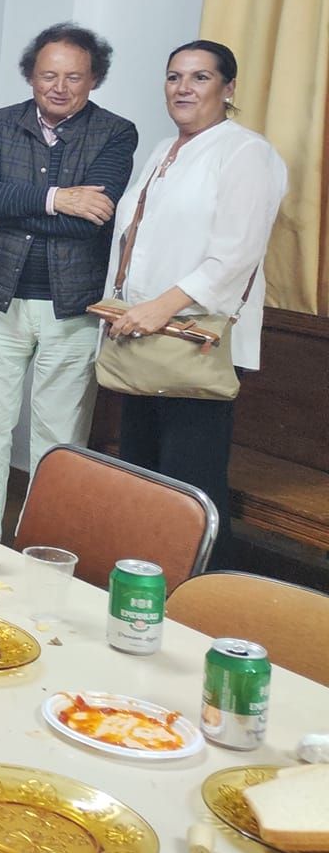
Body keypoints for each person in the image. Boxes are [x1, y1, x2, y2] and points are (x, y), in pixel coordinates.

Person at [103, 41, 287, 549]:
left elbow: (236, 255)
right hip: (144, 336)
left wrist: (157, 308)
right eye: (174, 77)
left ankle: (199, 596)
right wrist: (127, 311)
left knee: (190, 482)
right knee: (143, 472)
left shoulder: (247, 153)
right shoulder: (165, 150)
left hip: (196, 339)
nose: (183, 88)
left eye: (200, 78)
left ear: (229, 89)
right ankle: (140, 579)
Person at [0, 23, 138, 510]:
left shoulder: (115, 133)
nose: (59, 88)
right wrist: (59, 198)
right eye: (48, 75)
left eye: (74, 77)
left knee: (59, 436)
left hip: (73, 306)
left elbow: (93, 222)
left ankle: (46, 537)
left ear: (94, 79)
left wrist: (2, 214)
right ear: (30, 76)